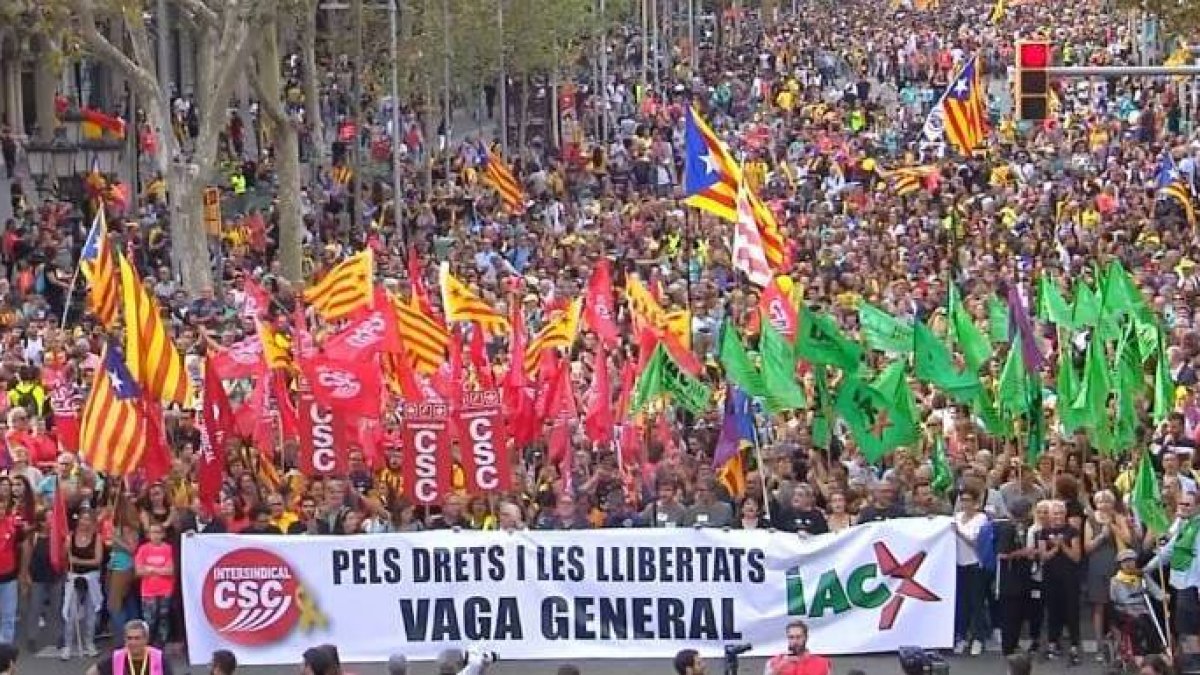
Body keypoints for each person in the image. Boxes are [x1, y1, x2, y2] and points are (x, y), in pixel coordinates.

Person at [85, 620, 173, 675]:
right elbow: (91, 672)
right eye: (129, 638)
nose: (133, 642)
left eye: (137, 638)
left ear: (146, 639)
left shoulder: (159, 657)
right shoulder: (116, 657)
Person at [764, 619, 831, 675]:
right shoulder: (774, 662)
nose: (795, 641)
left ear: (806, 638)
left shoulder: (822, 664)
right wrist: (781, 666)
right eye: (791, 637)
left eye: (798, 637)